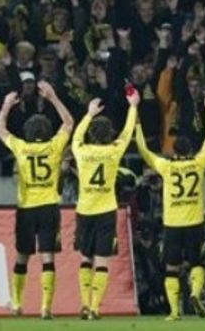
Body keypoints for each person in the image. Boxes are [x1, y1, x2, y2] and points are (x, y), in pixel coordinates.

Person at [0, 81, 74, 319]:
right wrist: (53, 96)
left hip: (26, 208)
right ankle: (45, 307)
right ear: (48, 131)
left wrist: (6, 105)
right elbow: (69, 123)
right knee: (47, 256)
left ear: (28, 132)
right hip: (49, 207)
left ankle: (17, 303)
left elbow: (0, 130)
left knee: (22, 256)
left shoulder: (20, 147)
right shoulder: (54, 146)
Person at [135, 96, 205, 321]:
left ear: (174, 151)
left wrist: (137, 125)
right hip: (194, 223)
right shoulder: (198, 163)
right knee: (197, 263)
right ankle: (195, 294)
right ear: (190, 149)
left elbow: (143, 150)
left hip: (172, 224)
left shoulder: (166, 166)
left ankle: (173, 311)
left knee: (171, 267)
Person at [71, 91, 138, 320]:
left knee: (85, 259)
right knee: (102, 260)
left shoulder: (81, 151)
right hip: (106, 211)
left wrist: (88, 114)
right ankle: (96, 307)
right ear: (110, 134)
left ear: (91, 134)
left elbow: (75, 138)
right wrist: (133, 107)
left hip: (84, 210)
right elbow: (128, 133)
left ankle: (84, 303)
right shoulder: (113, 151)